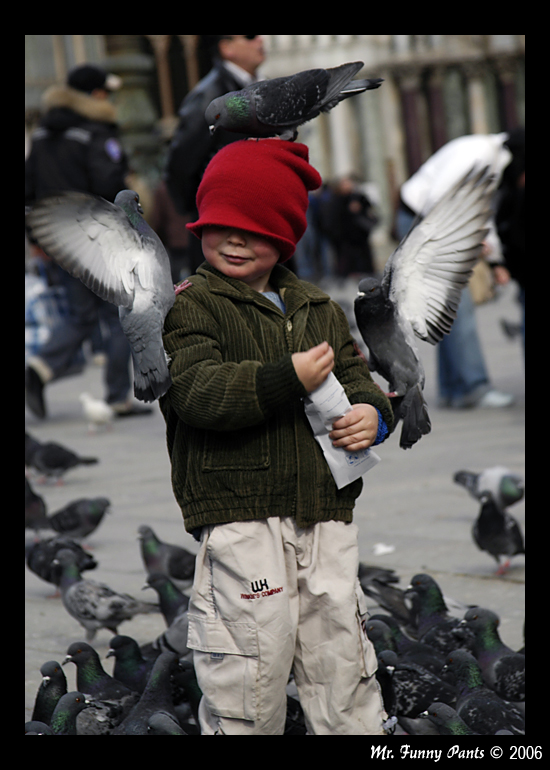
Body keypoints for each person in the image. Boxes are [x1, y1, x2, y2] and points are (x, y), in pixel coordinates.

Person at [160, 138, 394, 735]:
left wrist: (372, 415)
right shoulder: (192, 308)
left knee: (343, 662)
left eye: (255, 229)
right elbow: (196, 392)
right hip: (241, 518)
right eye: (219, 226)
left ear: (285, 237)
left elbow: (356, 379)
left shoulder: (318, 307)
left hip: (326, 516)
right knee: (250, 669)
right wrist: (283, 378)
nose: (234, 240)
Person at [25, 64, 149, 419]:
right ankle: (116, 396)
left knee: (80, 315)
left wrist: (37, 236)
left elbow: (28, 186)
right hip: (98, 240)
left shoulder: (45, 132)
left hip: (59, 239)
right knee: (121, 314)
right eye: (104, 92)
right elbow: (109, 181)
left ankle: (38, 370)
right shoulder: (96, 131)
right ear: (95, 95)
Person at [396, 133, 515, 409]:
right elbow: (439, 197)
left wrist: (495, 259)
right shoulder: (481, 155)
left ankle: (454, 389)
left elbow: (480, 211)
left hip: (427, 222)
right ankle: (473, 386)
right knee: (459, 305)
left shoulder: (491, 157)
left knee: (444, 308)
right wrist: (461, 235)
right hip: (426, 222)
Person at [164, 35, 266, 273]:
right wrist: (207, 209)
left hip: (262, 219)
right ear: (226, 47)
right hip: (228, 225)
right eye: (250, 37)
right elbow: (181, 163)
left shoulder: (258, 87)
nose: (260, 40)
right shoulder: (211, 95)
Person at [325, 175, 378, 277]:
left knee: (364, 261)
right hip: (345, 238)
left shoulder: (359, 197)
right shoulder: (336, 199)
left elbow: (370, 210)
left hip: (361, 236)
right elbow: (333, 218)